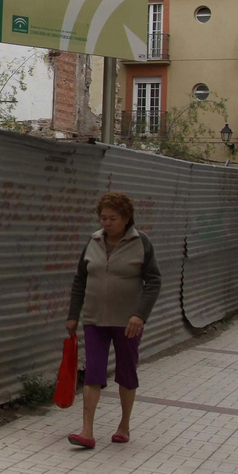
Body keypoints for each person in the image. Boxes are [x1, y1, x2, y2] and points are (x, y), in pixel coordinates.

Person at [64, 191, 162, 449]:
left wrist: (140, 314)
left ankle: (124, 426)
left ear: (127, 218)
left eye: (113, 218)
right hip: (95, 319)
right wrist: (73, 314)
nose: (107, 223)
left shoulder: (141, 242)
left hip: (127, 322)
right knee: (93, 373)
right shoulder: (93, 241)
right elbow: (80, 280)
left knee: (126, 372)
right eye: (103, 218)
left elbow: (153, 280)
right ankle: (87, 431)